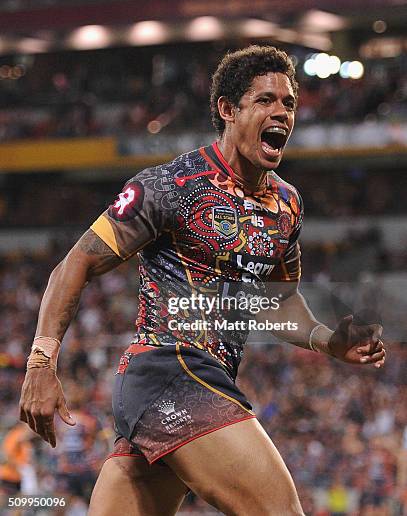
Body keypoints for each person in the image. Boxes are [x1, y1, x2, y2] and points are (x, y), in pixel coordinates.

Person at [19, 45, 386, 515]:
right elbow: (75, 265)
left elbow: (278, 299)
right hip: (167, 373)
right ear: (228, 110)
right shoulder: (172, 185)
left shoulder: (286, 206)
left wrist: (327, 341)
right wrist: (40, 363)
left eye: (289, 103)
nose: (281, 112)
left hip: (200, 387)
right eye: (265, 101)